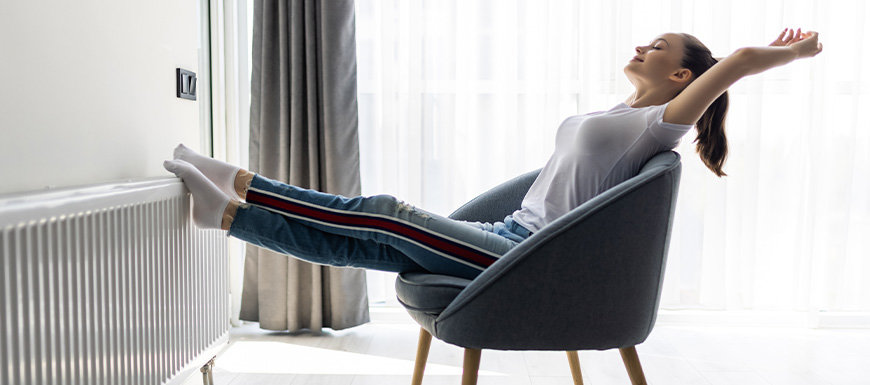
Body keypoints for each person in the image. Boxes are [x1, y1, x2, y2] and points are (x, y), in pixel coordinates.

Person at [164, 28, 822, 281]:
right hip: (500, 234)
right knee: (362, 246)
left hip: (529, 257)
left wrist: (792, 52)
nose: (644, 45)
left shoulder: (661, 127)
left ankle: (236, 182)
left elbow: (734, 63)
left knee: (388, 211)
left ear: (682, 78)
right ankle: (227, 212)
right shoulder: (617, 113)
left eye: (660, 46)